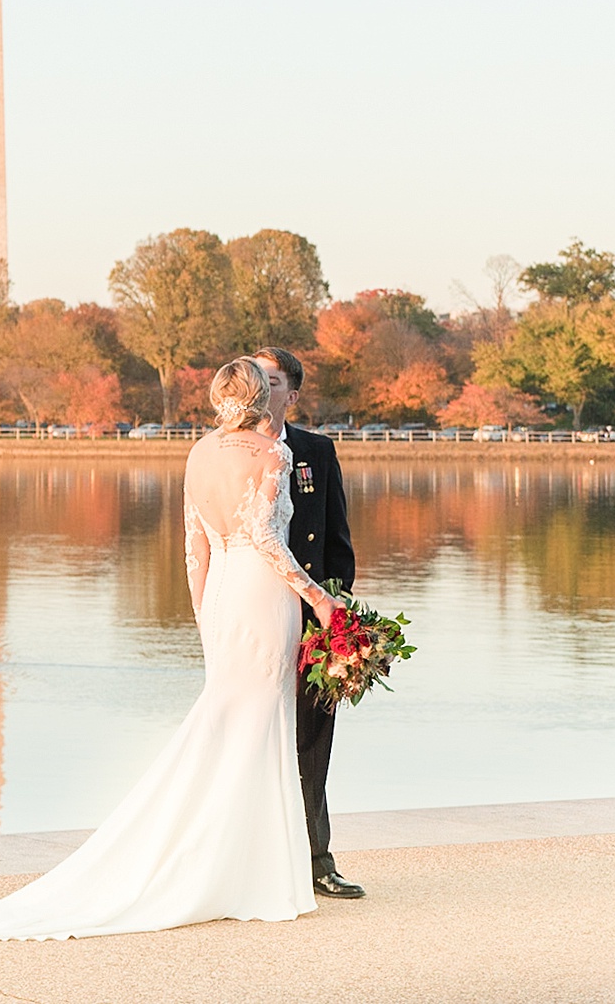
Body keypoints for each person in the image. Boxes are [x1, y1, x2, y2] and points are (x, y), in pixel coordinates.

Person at [0, 357, 337, 947]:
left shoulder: (199, 453)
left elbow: (194, 544)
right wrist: (319, 598)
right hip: (263, 597)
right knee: (260, 725)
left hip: (223, 602)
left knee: (232, 723)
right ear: (263, 397)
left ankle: (231, 863)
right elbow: (264, 539)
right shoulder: (271, 455)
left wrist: (202, 613)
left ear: (217, 399)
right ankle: (247, 871)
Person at [252, 345, 363, 899]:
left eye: (270, 380)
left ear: (291, 396)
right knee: (249, 736)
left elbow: (338, 542)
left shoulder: (316, 451)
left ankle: (317, 860)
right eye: (252, 374)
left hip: (311, 618)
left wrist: (338, 625)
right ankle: (251, 859)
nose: (259, 385)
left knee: (312, 741)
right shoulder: (225, 454)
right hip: (251, 618)